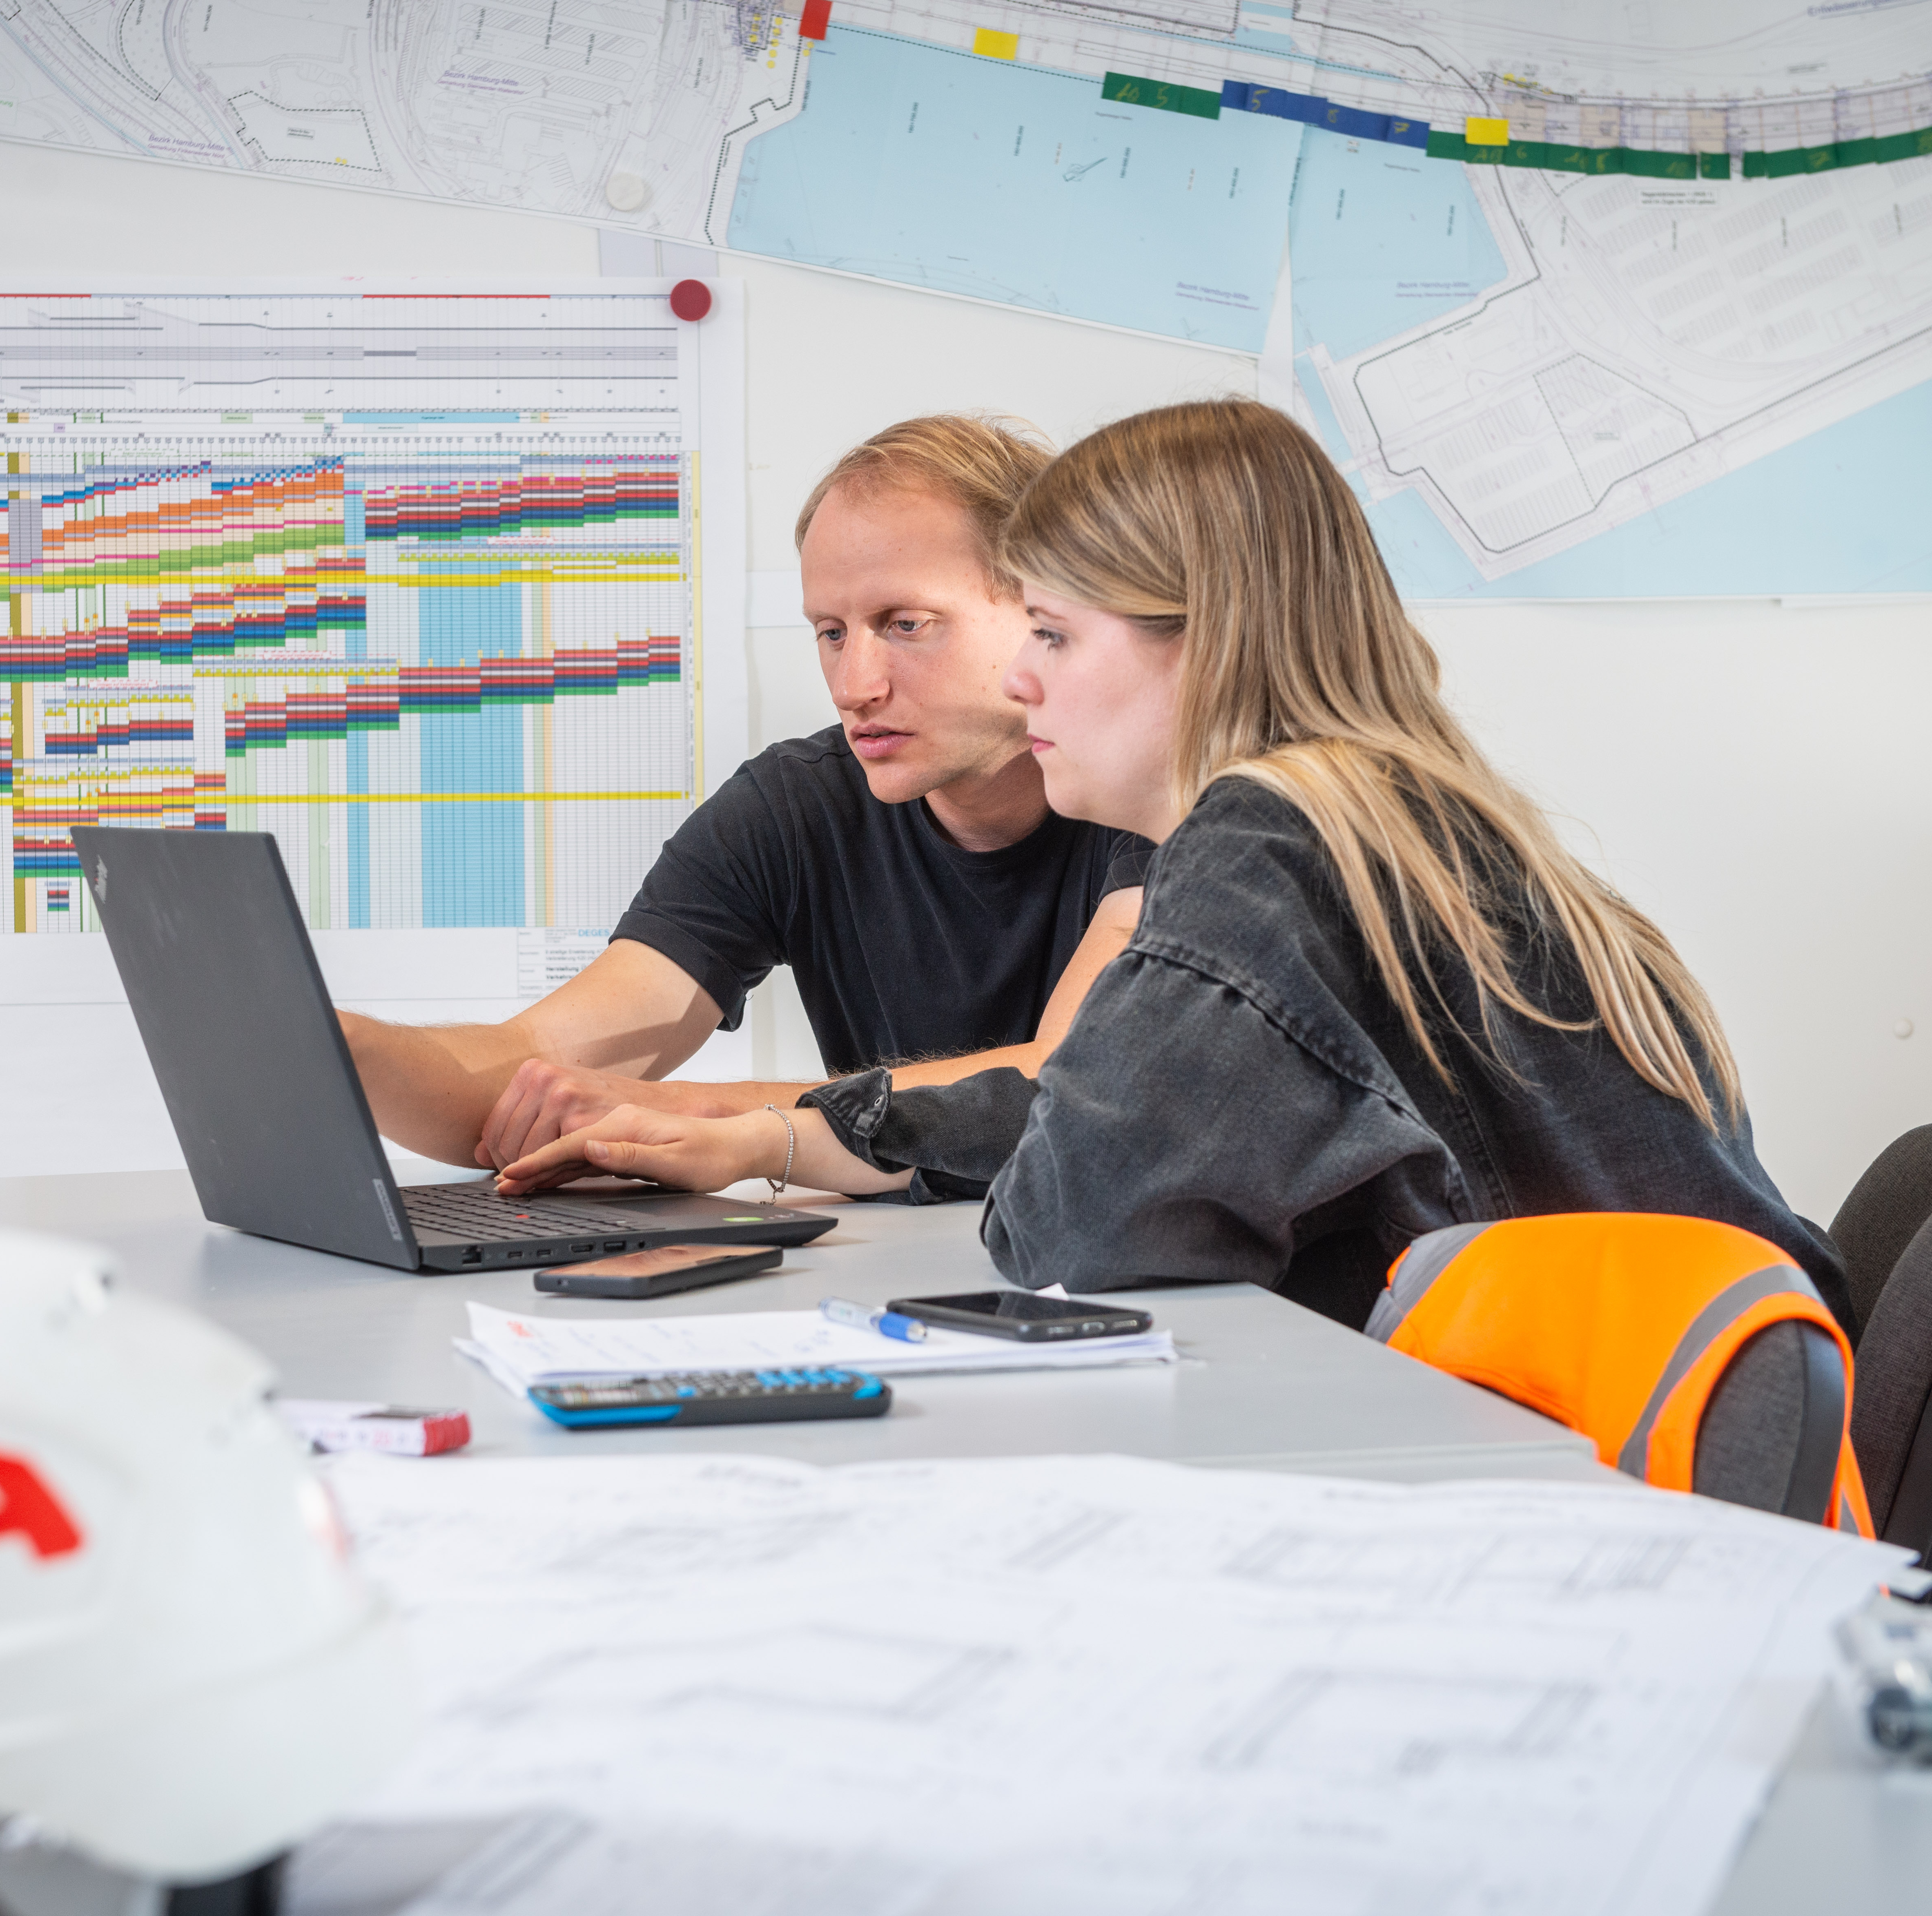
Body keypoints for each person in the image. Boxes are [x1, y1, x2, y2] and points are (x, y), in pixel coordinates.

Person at [497, 398, 1845, 1327]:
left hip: (1616, 1464)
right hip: (1694, 1405)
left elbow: (1075, 1229)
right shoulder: (1384, 820)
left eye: (1057, 636)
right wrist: (778, 1139)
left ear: (1202, 641)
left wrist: (784, 1140)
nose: (1020, 681)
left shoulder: (1267, 841)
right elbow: (1084, 1103)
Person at [341, 415, 1151, 1175]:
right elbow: (541, 1075)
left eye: (905, 623)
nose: (853, 684)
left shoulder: (1156, 796)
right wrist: (331, 1042)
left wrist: (694, 1115)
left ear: (1045, 611)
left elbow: (1064, 1080)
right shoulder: (795, 806)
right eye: (830, 632)